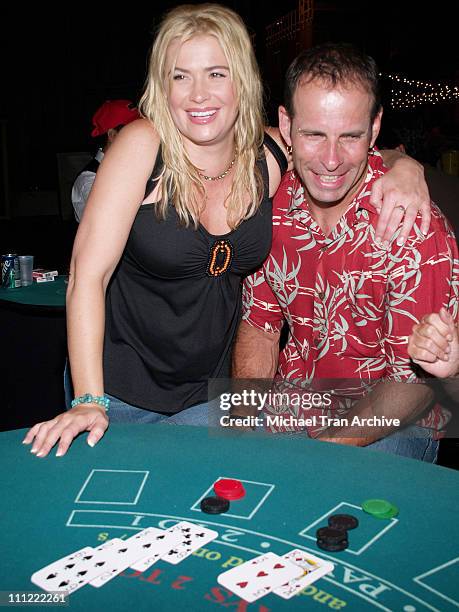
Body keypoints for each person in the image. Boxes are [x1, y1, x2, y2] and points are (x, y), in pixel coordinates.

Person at [24, 5, 430, 458]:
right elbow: (86, 277)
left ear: (241, 79)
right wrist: (87, 400)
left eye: (216, 74)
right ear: (163, 85)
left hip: (212, 397)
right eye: (180, 76)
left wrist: (403, 164)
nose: (198, 95)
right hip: (118, 395)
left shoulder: (269, 156)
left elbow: (335, 145)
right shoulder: (142, 146)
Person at [232, 43, 458, 461]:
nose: (331, 160)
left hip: (393, 424)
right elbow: (261, 329)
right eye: (314, 134)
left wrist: (322, 456)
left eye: (350, 136)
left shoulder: (415, 228)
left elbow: (413, 382)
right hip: (294, 403)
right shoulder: (271, 205)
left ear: (374, 130)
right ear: (285, 124)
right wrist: (245, 427)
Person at [71, 99, 140, 222]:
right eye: (132, 129)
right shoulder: (89, 180)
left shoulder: (133, 169)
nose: (141, 134)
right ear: (112, 135)